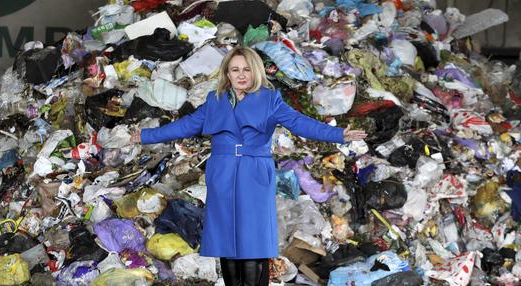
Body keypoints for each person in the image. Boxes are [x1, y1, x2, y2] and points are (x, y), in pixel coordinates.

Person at [131, 47, 367, 286]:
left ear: (256, 72)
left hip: (254, 171)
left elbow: (299, 123)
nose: (241, 75)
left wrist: (338, 134)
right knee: (226, 237)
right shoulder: (215, 100)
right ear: (227, 73)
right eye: (235, 70)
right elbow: (185, 126)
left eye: (246, 69)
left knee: (252, 238)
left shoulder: (269, 99)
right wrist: (147, 135)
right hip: (222, 171)